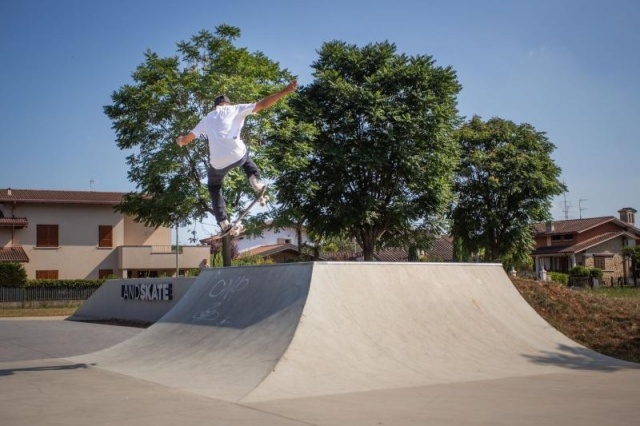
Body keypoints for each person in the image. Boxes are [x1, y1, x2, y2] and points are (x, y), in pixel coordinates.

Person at [176, 80, 298, 232]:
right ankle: (255, 182)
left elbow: (187, 139)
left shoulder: (207, 118)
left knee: (214, 187)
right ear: (228, 104)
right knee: (244, 155)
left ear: (216, 106)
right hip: (237, 155)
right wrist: (284, 91)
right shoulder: (236, 108)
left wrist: (180, 141)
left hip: (217, 163)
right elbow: (263, 104)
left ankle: (223, 222)